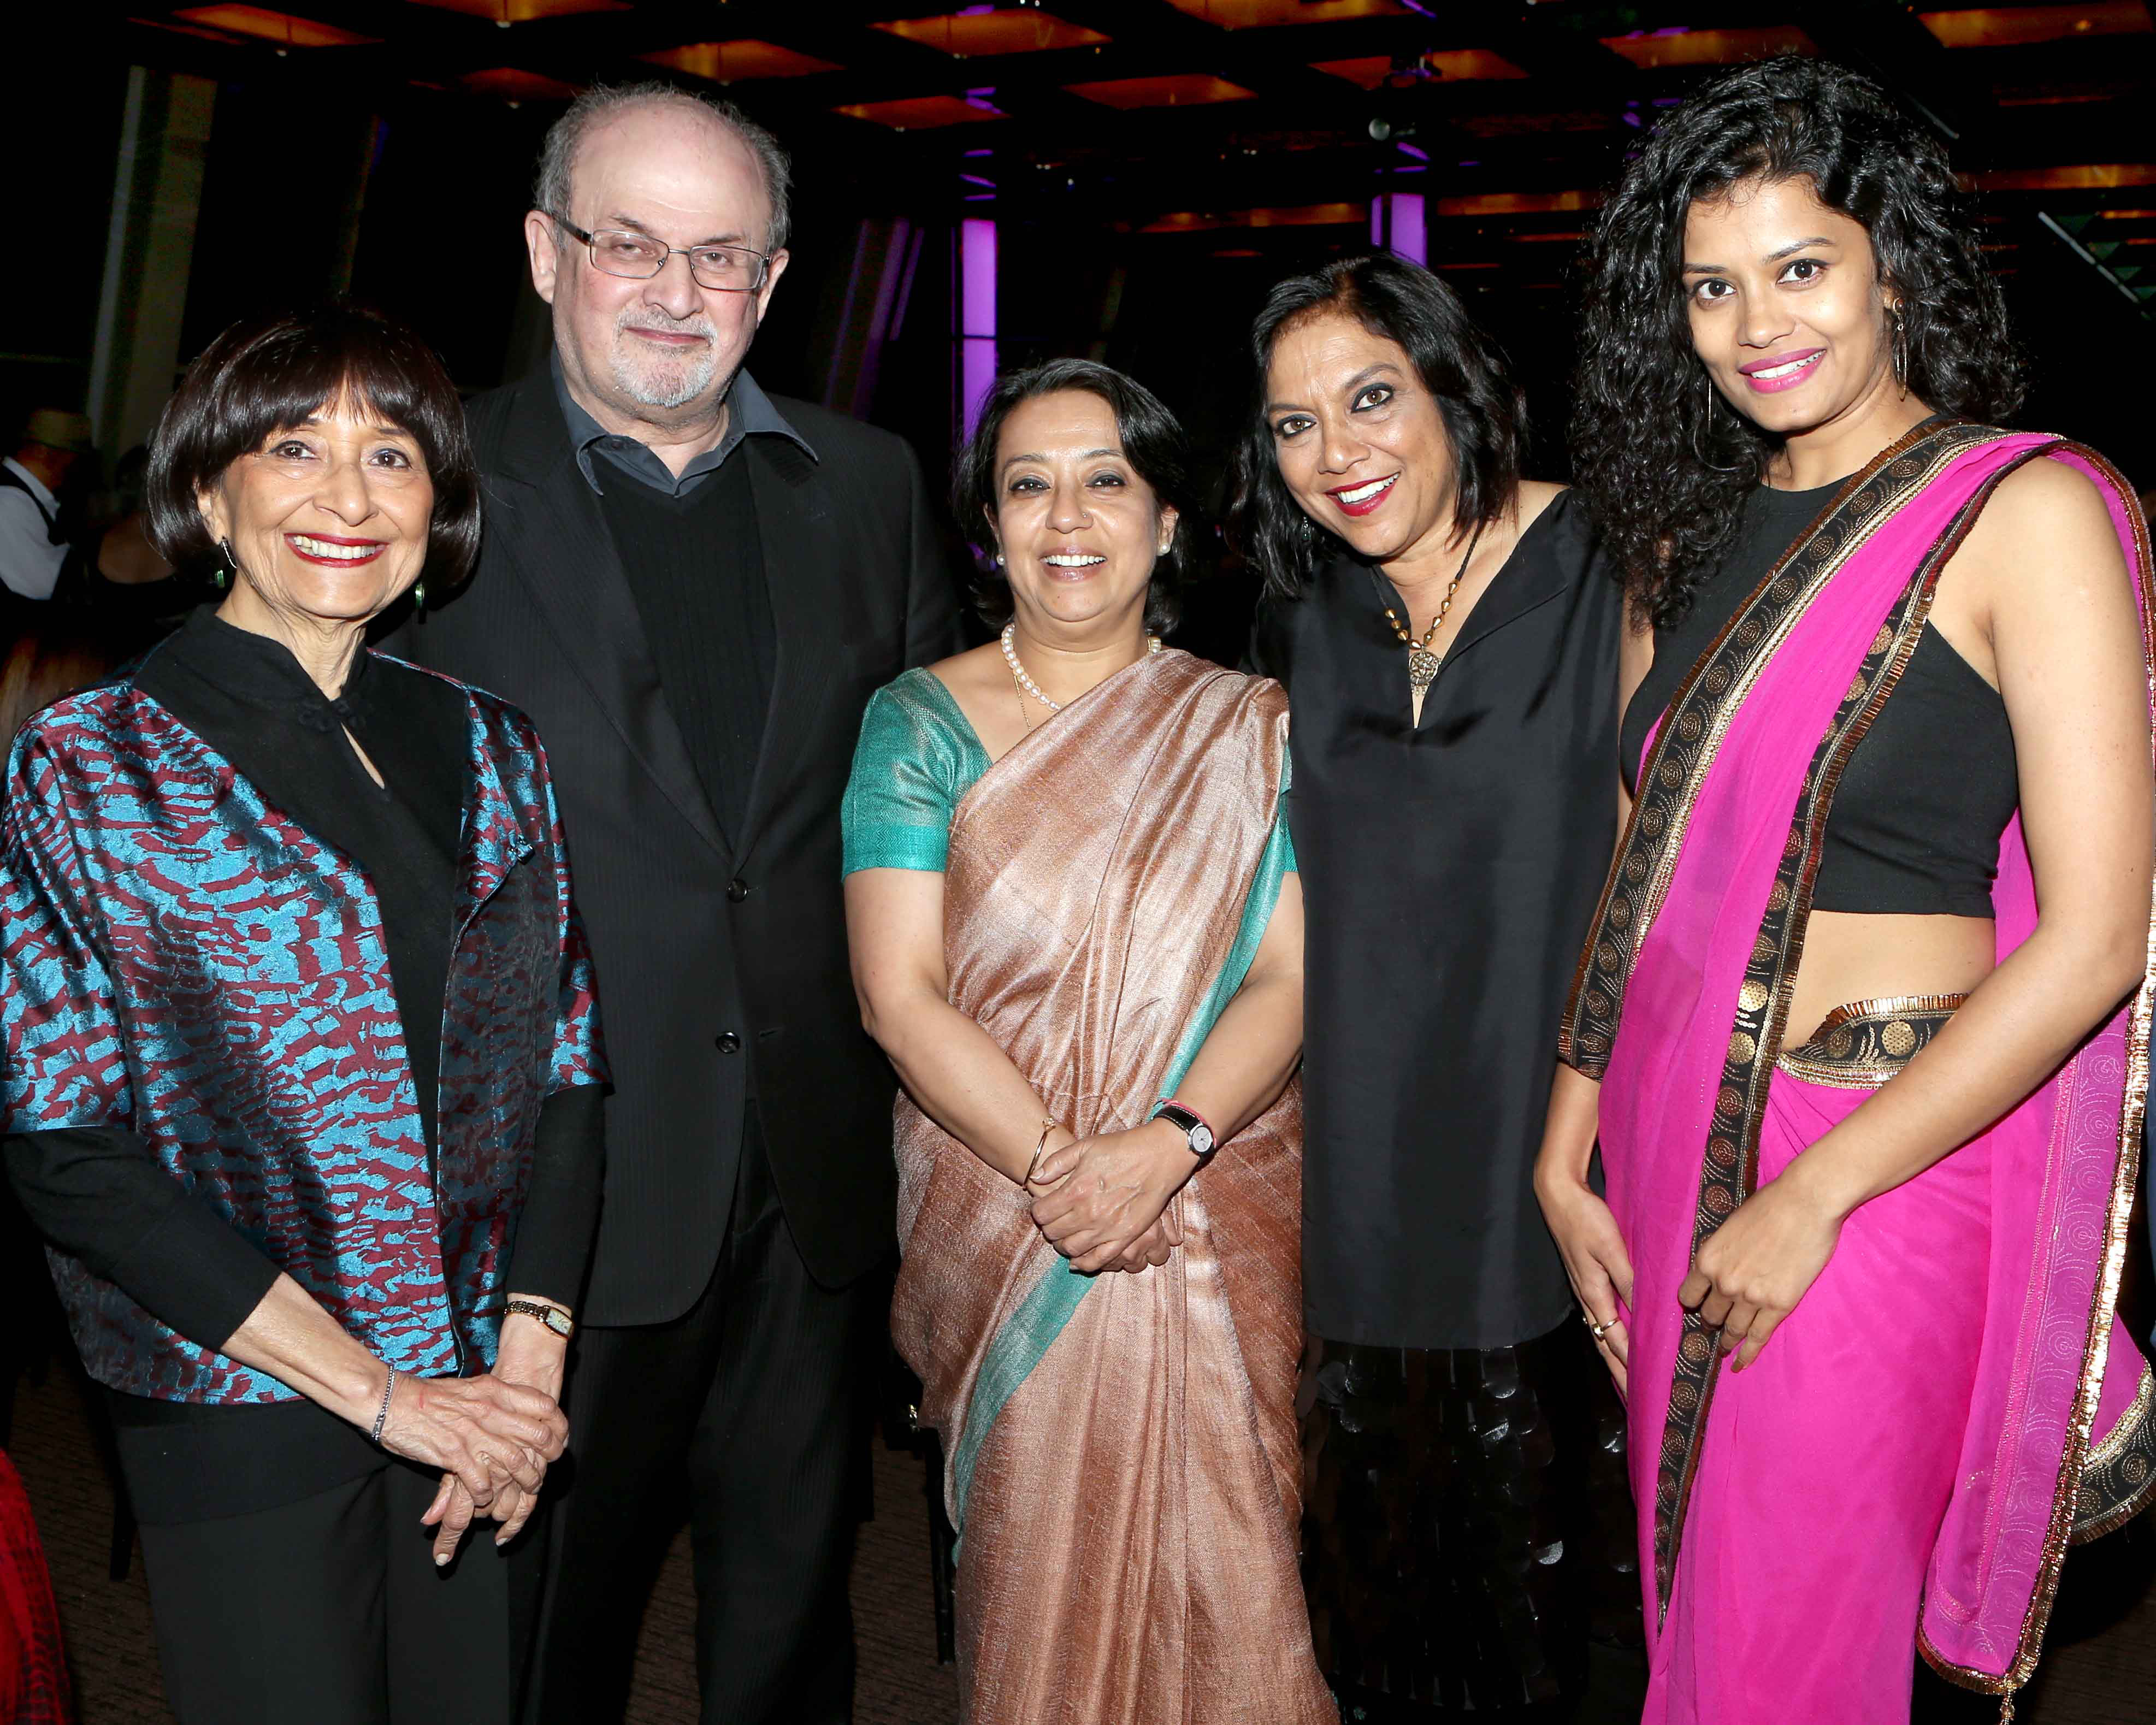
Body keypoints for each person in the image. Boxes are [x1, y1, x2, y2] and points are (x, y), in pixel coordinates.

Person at [1541, 56, 2155, 1725]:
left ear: (1890, 262)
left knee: (1786, 1642)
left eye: (1798, 268)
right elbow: (1639, 853)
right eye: (1709, 288)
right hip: (1671, 1131)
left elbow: (2100, 929)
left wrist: (1822, 1188)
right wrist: (1563, 1127)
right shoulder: (1684, 535)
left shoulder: (2026, 509)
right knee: (1704, 1608)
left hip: (1880, 1148)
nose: (1754, 326)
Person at [392, 82, 960, 1725]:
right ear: (542, 250)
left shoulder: (864, 484)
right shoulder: (423, 485)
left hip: (811, 1161)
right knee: (536, 1634)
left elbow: (936, 804)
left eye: (718, 255)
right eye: (625, 241)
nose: (671, 289)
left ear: (773, 283)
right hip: (550, 1188)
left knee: (790, 1623)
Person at [0, 303, 606, 1725]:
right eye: (295, 447)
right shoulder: (95, 766)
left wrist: (522, 1365)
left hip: (482, 1380)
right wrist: (388, 1395)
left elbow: (571, 1068)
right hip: (241, 1393)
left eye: (393, 455)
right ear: (211, 491)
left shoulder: (493, 740)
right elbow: (61, 1145)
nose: (349, 494)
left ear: (437, 509)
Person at [843, 358, 1333, 1724]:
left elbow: (1289, 975)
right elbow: (899, 996)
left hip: (1208, 1198)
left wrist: (1162, 1150)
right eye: (1026, 485)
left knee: (1233, 1573)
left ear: (1168, 518)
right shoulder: (915, 723)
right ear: (987, 527)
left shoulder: (1250, 727)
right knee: (1029, 1593)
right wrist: (1072, 1171)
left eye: (1104, 480)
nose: (1066, 518)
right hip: (1007, 1216)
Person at [1231, 254, 1641, 1718]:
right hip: (1358, 1175)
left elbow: (1671, 879)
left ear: (1452, 386)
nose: (1336, 453)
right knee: (1384, 1597)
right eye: (1292, 425)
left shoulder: (1616, 567)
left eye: (1367, 397)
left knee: (1569, 1595)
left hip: (1567, 1162)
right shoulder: (1308, 621)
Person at [0, 411, 93, 605]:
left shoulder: (25, 498)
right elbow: (42, 585)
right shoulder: (9, 501)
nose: (78, 467)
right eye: (75, 457)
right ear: (45, 453)